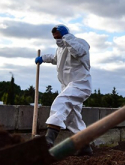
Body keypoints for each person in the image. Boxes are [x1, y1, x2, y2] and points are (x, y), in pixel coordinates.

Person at [35, 24, 93, 156]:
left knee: (61, 102)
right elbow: (55, 59)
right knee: (72, 118)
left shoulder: (80, 43)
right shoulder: (60, 49)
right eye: (55, 38)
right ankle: (85, 146)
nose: (57, 40)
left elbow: (78, 52)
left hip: (80, 84)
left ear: (65, 34)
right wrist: (43, 58)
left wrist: (67, 37)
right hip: (67, 86)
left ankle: (49, 139)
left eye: (59, 37)